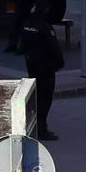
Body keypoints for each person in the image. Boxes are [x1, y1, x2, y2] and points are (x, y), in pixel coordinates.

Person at [21, 11, 64, 141]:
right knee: (45, 100)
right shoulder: (45, 27)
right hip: (46, 69)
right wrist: (59, 63)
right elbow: (54, 48)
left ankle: (32, 126)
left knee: (35, 98)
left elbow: (22, 45)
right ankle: (41, 129)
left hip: (32, 68)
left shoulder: (27, 25)